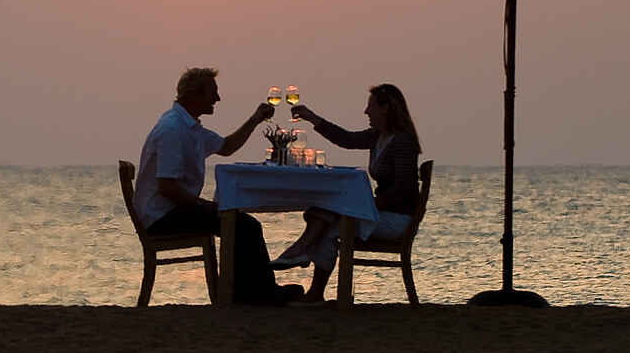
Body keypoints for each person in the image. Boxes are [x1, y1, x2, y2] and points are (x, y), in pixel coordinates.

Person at [134, 67, 302, 305]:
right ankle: (258, 294)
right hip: (161, 216)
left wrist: (255, 120)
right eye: (212, 92)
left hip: (170, 210)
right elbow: (167, 187)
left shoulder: (190, 128)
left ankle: (247, 292)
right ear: (194, 96)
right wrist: (206, 206)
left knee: (239, 222)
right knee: (243, 224)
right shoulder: (172, 130)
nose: (217, 98)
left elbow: (226, 147)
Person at [275, 83, 422, 302]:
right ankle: (308, 270)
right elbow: (346, 139)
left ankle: (303, 255)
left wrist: (366, 205)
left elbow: (403, 190)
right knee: (327, 214)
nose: (366, 112)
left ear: (385, 108)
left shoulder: (402, 141)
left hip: (397, 219)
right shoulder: (378, 136)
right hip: (381, 212)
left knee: (333, 219)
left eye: (370, 106)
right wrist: (312, 118)